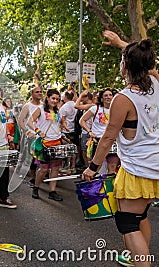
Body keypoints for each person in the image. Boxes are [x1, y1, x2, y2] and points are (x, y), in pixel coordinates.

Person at [83, 32, 159, 267]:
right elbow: (149, 63)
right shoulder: (156, 83)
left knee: (127, 223)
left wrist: (92, 168)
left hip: (137, 170)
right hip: (155, 167)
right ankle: (138, 259)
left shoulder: (123, 99)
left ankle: (141, 262)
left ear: (124, 65)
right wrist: (121, 44)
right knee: (140, 216)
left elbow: (107, 139)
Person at [26, 88, 66, 201]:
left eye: (57, 99)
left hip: (57, 142)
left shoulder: (58, 111)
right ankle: (36, 187)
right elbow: (29, 121)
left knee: (55, 168)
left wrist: (62, 129)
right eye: (53, 98)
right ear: (47, 98)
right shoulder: (40, 109)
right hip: (44, 143)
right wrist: (38, 131)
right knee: (43, 169)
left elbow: (58, 124)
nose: (55, 101)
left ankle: (52, 191)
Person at [79, 88, 120, 175]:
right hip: (98, 141)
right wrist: (89, 131)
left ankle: (109, 188)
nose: (108, 97)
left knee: (112, 168)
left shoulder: (118, 109)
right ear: (101, 98)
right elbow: (82, 121)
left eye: (110, 95)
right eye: (105, 95)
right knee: (95, 169)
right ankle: (95, 188)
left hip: (113, 142)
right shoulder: (95, 108)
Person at [17, 86, 44, 186]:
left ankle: (41, 175)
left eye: (41, 92)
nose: (40, 94)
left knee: (42, 156)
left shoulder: (43, 105)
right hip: (31, 136)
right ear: (32, 94)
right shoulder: (27, 106)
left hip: (41, 135)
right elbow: (20, 121)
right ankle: (32, 177)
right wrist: (28, 132)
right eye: (37, 92)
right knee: (32, 157)